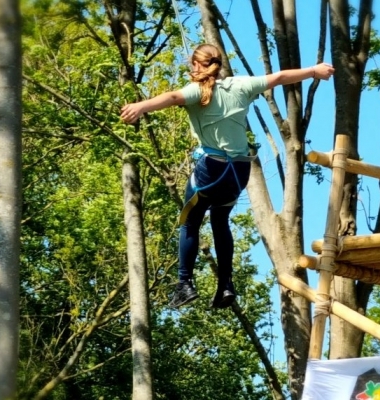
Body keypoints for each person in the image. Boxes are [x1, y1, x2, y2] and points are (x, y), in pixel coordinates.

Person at [120, 44, 334, 309]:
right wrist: (314, 70)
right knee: (220, 221)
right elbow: (279, 78)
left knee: (189, 222)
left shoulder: (197, 91)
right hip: (238, 173)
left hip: (212, 170)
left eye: (192, 66)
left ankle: (184, 284)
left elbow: (174, 97)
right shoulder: (240, 85)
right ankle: (225, 286)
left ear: (198, 66)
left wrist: (141, 106)